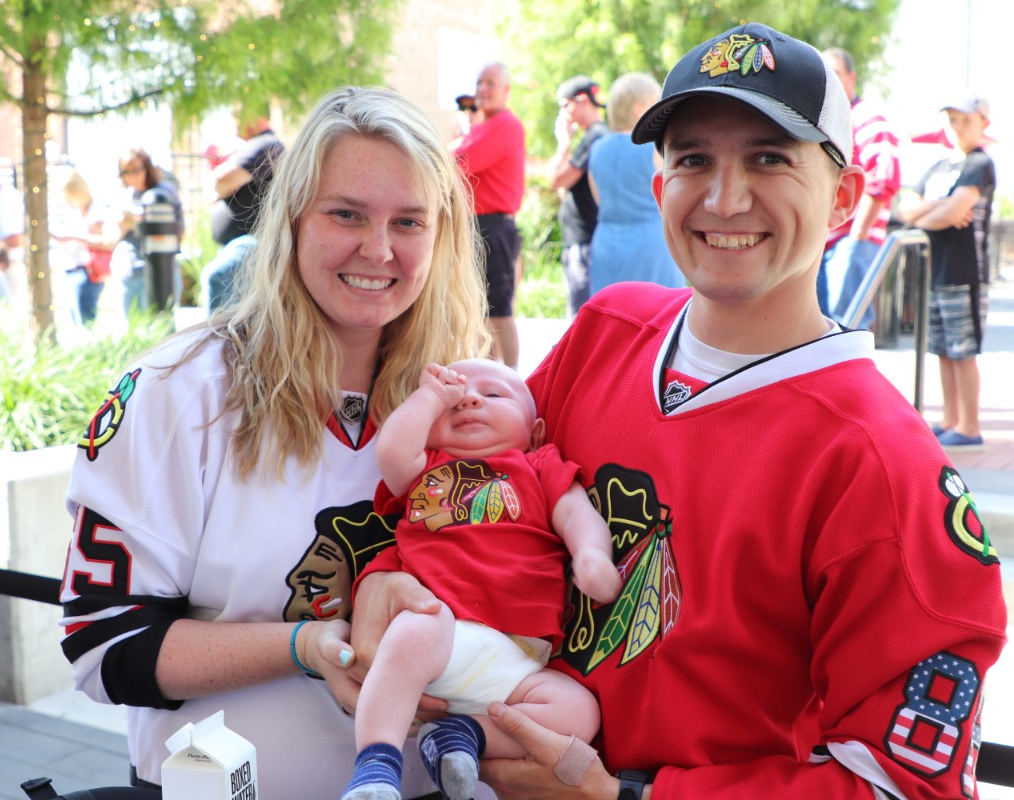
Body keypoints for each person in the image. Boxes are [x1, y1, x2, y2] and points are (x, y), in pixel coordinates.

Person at [352, 23, 1007, 800]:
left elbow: (908, 785)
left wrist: (626, 797)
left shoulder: (884, 465)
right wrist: (384, 580)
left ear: (843, 199)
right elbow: (481, 489)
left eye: (769, 157)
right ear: (661, 189)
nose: (726, 197)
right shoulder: (606, 332)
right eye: (694, 158)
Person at [58, 86, 491, 798]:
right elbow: (103, 646)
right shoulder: (175, 391)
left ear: (441, 235)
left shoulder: (471, 398)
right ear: (291, 218)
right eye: (346, 213)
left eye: (408, 221)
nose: (378, 250)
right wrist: (306, 647)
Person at [343, 359, 620, 800]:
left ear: (536, 431)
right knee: (413, 631)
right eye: (453, 401)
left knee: (579, 712)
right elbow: (392, 451)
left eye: (493, 395)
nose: (469, 399)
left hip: (521, 656)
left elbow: (576, 513)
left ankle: (464, 735)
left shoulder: (538, 464)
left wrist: (591, 555)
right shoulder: (426, 468)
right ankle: (377, 765)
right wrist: (431, 396)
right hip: (442, 629)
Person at [903, 93, 996, 451]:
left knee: (962, 349)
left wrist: (928, 213)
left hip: (965, 271)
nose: (957, 127)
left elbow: (951, 210)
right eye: (952, 120)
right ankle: (949, 418)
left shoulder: (979, 164)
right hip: (934, 271)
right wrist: (937, 209)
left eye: (965, 120)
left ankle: (970, 425)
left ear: (982, 124)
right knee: (942, 348)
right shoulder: (939, 166)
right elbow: (905, 205)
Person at [817, 47, 902, 328]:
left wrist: (857, 236)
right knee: (820, 333)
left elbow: (883, 179)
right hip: (825, 243)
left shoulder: (867, 117)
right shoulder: (826, 120)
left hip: (849, 243)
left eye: (836, 72)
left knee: (845, 329)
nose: (830, 79)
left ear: (852, 77)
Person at [453, 62, 526, 369]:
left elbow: (458, 161)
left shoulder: (504, 125)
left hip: (491, 227)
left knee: (498, 310)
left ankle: (512, 377)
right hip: (479, 226)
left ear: (506, 90)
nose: (482, 89)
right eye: (479, 82)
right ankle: (491, 374)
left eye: (490, 83)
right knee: (481, 310)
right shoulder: (486, 126)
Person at [587, 72, 684, 293]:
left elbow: (598, 199)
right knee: (659, 313)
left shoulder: (597, 148)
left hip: (606, 243)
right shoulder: (653, 148)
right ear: (639, 109)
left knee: (611, 314)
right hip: (650, 244)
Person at [201, 112, 286, 313]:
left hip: (250, 241)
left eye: (239, 117)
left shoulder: (265, 144)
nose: (235, 126)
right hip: (243, 243)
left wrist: (218, 191)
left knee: (217, 276)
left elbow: (218, 182)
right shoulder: (259, 146)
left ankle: (218, 345)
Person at [547, 76, 609, 317]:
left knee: (581, 317)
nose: (563, 113)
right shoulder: (595, 136)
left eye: (565, 105)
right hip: (583, 239)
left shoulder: (595, 136)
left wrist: (564, 141)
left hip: (585, 241)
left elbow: (556, 179)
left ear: (582, 100)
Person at [113, 147, 185, 314]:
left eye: (137, 170)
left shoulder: (163, 193)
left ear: (147, 167)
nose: (133, 176)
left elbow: (179, 232)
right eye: (127, 172)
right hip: (131, 270)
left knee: (163, 325)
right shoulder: (125, 196)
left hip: (163, 270)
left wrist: (145, 223)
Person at [54, 170, 117, 327]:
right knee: (76, 321)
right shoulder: (76, 211)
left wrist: (73, 236)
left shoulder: (95, 212)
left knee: (85, 321)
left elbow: (104, 242)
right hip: (72, 268)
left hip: (88, 272)